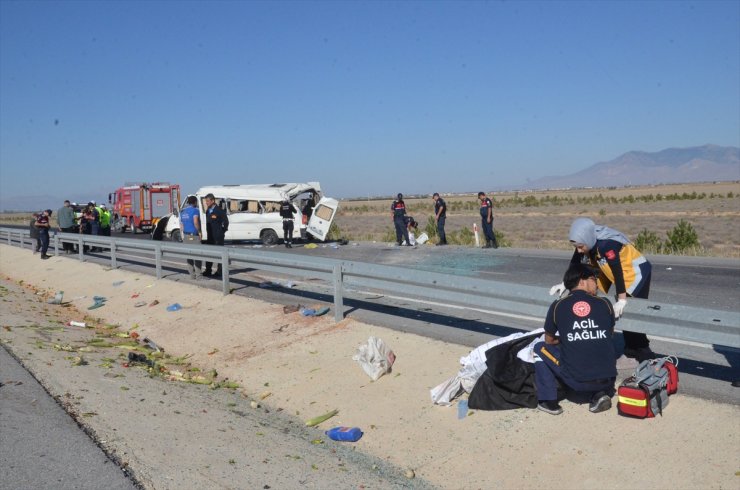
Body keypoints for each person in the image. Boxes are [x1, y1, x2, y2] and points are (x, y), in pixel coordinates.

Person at [550, 217, 654, 362]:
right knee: (624, 313)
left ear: (586, 240)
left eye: (580, 247)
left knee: (632, 311)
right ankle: (630, 348)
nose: (579, 251)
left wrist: (622, 299)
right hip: (619, 273)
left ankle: (645, 353)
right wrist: (565, 283)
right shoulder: (587, 240)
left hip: (636, 273)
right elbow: (575, 263)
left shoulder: (607, 245)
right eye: (577, 247)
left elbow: (618, 272)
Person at [534, 263, 617, 415]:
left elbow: (549, 341)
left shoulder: (558, 306)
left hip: (577, 382)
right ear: (582, 281)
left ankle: (548, 401)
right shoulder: (605, 303)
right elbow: (608, 335)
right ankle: (598, 394)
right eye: (594, 279)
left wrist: (568, 339)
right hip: (608, 380)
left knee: (539, 348)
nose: (597, 285)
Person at [202, 193, 228, 278]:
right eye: (206, 201)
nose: (206, 203)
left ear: (213, 200)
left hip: (218, 237)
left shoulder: (219, 210)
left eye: (208, 201)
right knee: (209, 254)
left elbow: (226, 222)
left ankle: (219, 271)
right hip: (210, 237)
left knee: (219, 255)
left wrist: (221, 232)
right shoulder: (208, 211)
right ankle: (208, 270)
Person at [179, 196, 203, 279]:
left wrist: (182, 235)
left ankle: (192, 275)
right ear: (195, 202)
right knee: (198, 256)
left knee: (189, 256)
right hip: (194, 236)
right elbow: (196, 221)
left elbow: (181, 225)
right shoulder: (195, 210)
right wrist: (199, 231)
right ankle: (199, 275)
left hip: (186, 235)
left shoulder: (183, 212)